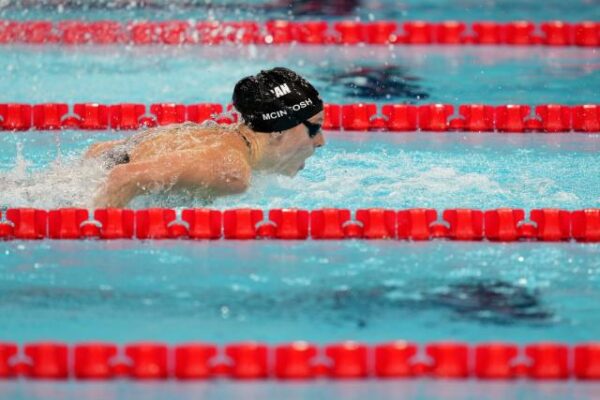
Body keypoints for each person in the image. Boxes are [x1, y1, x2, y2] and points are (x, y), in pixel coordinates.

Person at [86, 67, 325, 207]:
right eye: (314, 128)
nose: (320, 141)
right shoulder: (232, 171)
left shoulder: (214, 135)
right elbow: (123, 177)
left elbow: (100, 151)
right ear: (279, 129)